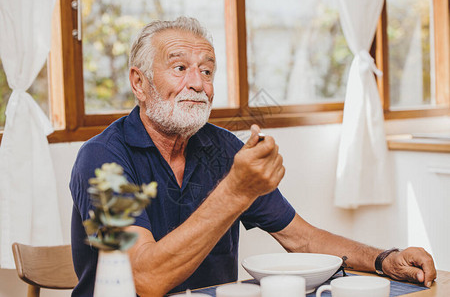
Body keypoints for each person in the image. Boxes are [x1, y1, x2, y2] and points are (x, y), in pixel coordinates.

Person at [70, 17, 436, 297]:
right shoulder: (102, 159)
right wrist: (235, 191)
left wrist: (383, 259)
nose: (198, 83)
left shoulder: (224, 148)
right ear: (139, 82)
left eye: (208, 71)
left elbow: (303, 240)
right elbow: (146, 279)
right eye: (180, 68)